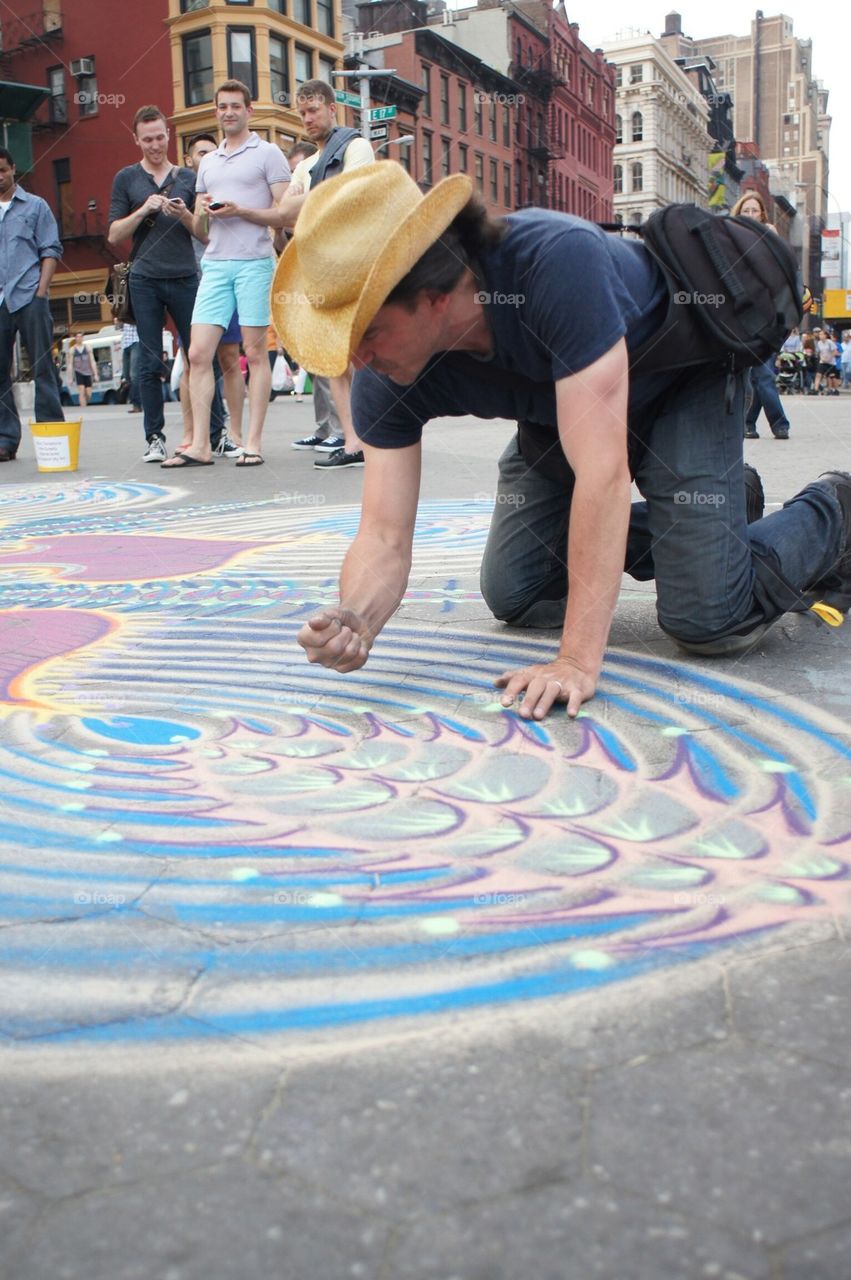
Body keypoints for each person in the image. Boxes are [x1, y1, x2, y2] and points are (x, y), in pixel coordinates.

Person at [273, 163, 851, 721]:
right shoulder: (385, 374)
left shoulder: (554, 262)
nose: (358, 359)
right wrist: (356, 619)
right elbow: (382, 534)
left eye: (368, 331)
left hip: (678, 383)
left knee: (710, 621)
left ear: (433, 295)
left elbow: (603, 474)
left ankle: (834, 507)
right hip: (561, 421)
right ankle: (715, 514)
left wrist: (576, 660)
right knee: (517, 593)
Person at [162, 80, 290, 470]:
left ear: (249, 110)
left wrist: (242, 211)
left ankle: (251, 442)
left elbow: (285, 215)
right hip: (215, 265)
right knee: (198, 353)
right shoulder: (209, 163)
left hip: (254, 261)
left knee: (254, 352)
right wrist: (188, 213)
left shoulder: (268, 154)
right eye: (222, 107)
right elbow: (203, 230)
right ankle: (200, 444)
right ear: (215, 112)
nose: (229, 112)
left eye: (236, 106)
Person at [276, 82, 375, 470]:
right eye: (301, 113)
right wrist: (317, 195)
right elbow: (286, 213)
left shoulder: (356, 147)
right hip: (319, 265)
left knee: (366, 353)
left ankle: (377, 433)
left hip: (355, 259)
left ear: (332, 109)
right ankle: (353, 443)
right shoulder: (303, 165)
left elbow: (349, 195)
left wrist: (309, 200)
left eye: (314, 110)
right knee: (335, 358)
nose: (307, 118)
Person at [108, 105, 205, 462]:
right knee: (149, 362)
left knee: (199, 356)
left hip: (185, 276)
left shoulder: (188, 178)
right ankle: (154, 438)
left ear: (169, 135)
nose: (154, 145)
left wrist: (184, 214)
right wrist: (143, 210)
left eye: (160, 137)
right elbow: (114, 234)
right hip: (145, 280)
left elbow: (206, 235)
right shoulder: (126, 178)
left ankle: (214, 433)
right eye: (147, 139)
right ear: (136, 140)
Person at [0, 146, 65, 462]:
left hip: (29, 296)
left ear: (13, 169)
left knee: (42, 366)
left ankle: (51, 434)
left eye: (2, 169)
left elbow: (51, 250)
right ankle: (5, 440)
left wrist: (41, 292)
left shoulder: (35, 206)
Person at [183, 132, 242, 457]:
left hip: (228, 275)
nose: (205, 157)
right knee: (192, 359)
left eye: (209, 151)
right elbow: (198, 232)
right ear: (190, 159)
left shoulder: (229, 186)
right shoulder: (187, 190)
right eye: (199, 153)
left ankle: (233, 434)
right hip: (193, 283)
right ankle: (195, 437)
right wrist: (192, 212)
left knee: (230, 357)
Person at [731, 191, 791, 440]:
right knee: (756, 372)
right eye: (747, 210)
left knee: (762, 372)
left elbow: (782, 268)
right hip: (742, 311)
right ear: (739, 213)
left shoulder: (769, 235)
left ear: (763, 214)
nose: (751, 214)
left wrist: (772, 238)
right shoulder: (730, 236)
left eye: (755, 210)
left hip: (769, 312)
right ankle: (748, 422)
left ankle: (779, 423)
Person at [120, 321, 142, 412]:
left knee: (134, 375)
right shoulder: (122, 307)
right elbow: (120, 325)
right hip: (126, 343)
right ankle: (135, 402)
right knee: (126, 376)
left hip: (136, 341)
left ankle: (137, 405)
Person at [71, 333, 96, 408]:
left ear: (82, 338)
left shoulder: (87, 348)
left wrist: (95, 374)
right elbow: (70, 365)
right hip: (78, 372)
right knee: (81, 391)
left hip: (88, 372)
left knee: (88, 394)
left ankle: (86, 398)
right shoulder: (72, 350)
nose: (79, 338)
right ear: (75, 338)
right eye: (77, 337)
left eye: (80, 337)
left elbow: (92, 361)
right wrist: (70, 377)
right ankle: (83, 407)